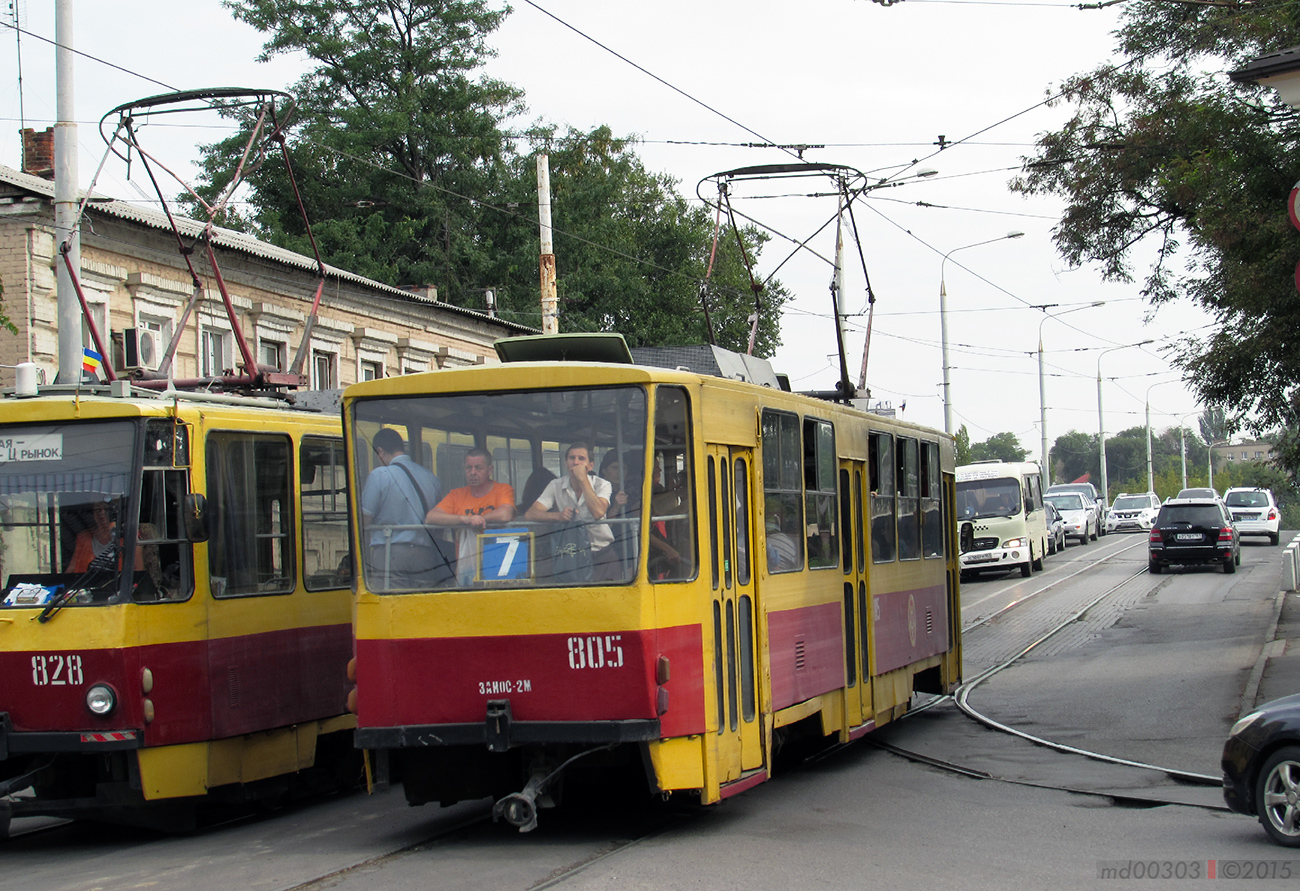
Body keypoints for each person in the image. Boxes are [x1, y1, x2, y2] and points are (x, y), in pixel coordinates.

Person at [360, 427, 446, 588]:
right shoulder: (430, 477)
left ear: (380, 451)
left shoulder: (379, 476)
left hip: (390, 554)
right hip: (425, 554)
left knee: (392, 605)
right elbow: (439, 520)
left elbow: (366, 518)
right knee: (421, 605)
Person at [424, 448, 516, 583]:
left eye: (478, 468)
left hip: (499, 562)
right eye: (468, 468)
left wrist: (480, 519)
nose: (472, 472)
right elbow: (431, 517)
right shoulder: (457, 495)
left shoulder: (502, 490)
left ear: (490, 470)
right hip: (466, 567)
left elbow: (505, 514)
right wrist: (464, 519)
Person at [526, 441, 614, 580]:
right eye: (572, 458)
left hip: (601, 555)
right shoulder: (556, 485)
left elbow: (598, 512)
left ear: (590, 465)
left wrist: (583, 479)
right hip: (572, 557)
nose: (576, 462)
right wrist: (558, 516)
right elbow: (531, 513)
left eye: (581, 459)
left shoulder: (602, 484)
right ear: (566, 463)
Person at [67, 499, 143, 575]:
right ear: (93, 513)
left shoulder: (129, 537)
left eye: (106, 509)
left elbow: (137, 572)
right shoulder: (83, 538)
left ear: (115, 513)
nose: (102, 513)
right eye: (98, 509)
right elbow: (71, 570)